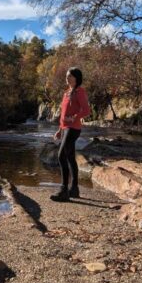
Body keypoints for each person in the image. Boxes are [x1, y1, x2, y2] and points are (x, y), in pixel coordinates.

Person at [51, 67, 90, 202]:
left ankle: (63, 190)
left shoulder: (80, 92)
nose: (67, 79)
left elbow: (86, 110)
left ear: (77, 78)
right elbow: (63, 114)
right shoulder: (67, 93)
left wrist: (74, 117)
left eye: (70, 77)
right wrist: (59, 129)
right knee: (70, 158)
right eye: (67, 76)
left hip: (74, 128)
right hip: (66, 128)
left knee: (61, 155)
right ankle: (74, 189)